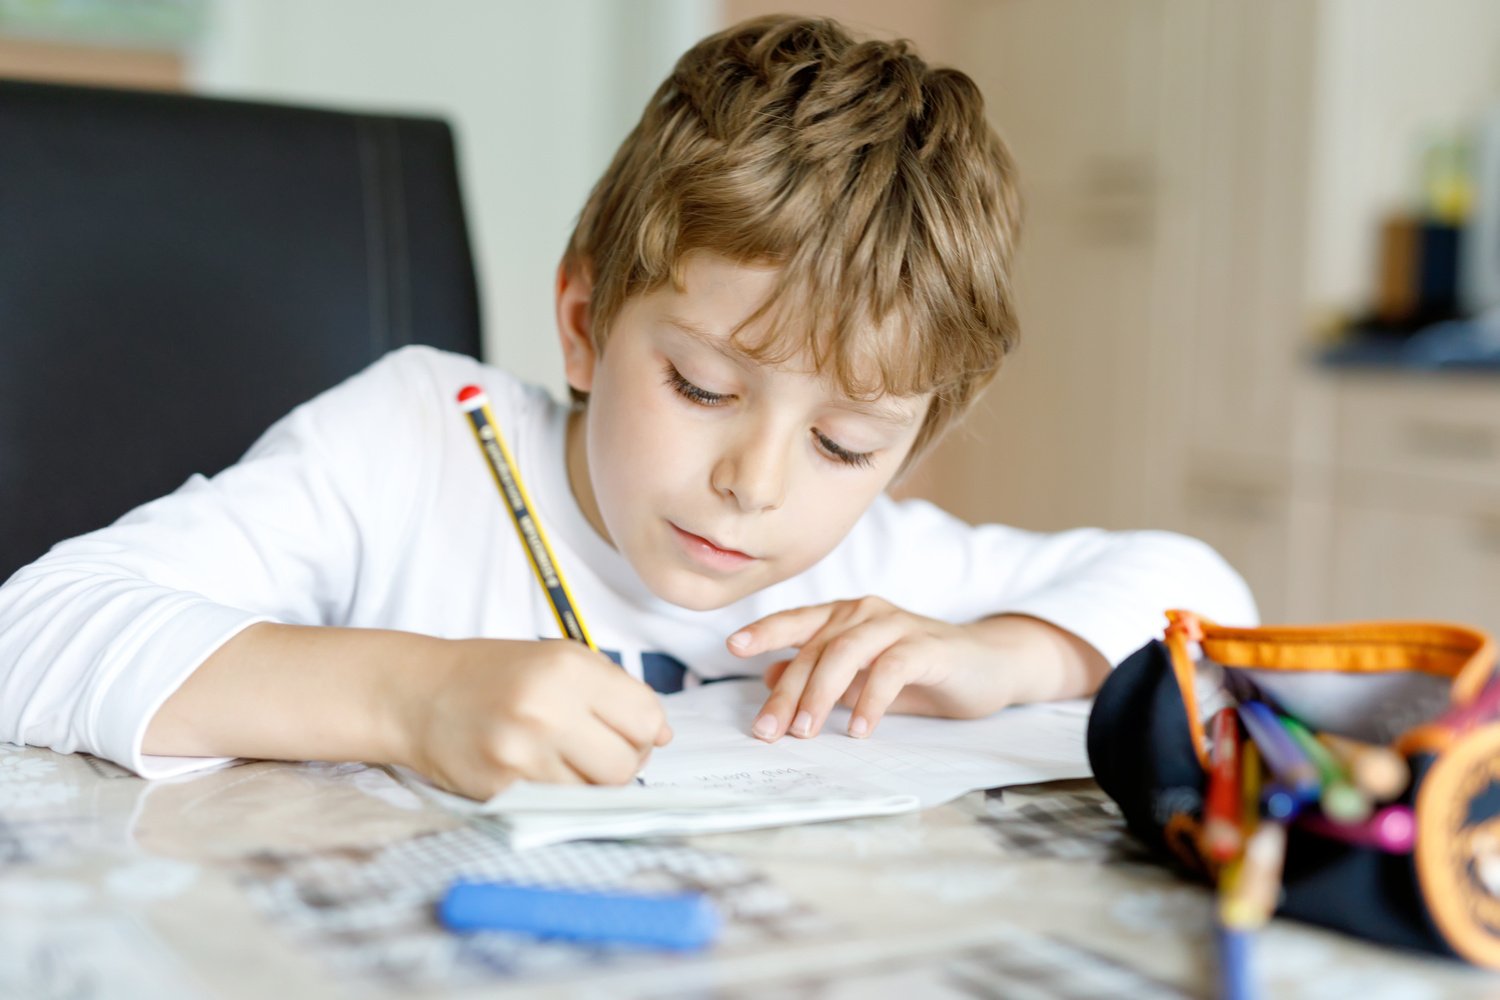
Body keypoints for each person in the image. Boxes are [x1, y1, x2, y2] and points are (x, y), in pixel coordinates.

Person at [0, 15, 1255, 801]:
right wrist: (413, 697)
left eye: (844, 441)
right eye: (703, 385)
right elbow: (33, 631)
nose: (757, 485)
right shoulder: (413, 444)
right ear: (588, 321)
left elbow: (1203, 594)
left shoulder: (865, 568)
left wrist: (1003, 655)